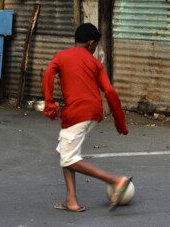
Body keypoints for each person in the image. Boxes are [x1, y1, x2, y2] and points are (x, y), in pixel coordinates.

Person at [42, 23, 131, 212]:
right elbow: (109, 91)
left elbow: (48, 73)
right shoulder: (95, 63)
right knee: (65, 152)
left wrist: (49, 104)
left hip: (76, 113)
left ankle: (116, 181)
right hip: (93, 112)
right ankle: (71, 200)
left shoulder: (61, 56)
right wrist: (119, 121)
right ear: (91, 44)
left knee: (68, 158)